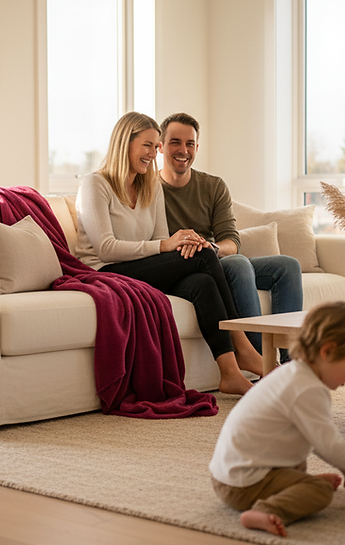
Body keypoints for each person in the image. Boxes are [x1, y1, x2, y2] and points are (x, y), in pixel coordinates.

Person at [75, 111, 263, 395]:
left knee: (202, 281)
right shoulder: (96, 184)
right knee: (205, 255)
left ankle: (230, 373)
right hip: (105, 272)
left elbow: (160, 237)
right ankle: (244, 346)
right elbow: (106, 247)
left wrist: (175, 245)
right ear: (126, 143)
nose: (154, 153)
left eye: (155, 146)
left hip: (141, 267)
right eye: (148, 145)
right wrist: (166, 246)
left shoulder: (150, 185)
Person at [209, 301, 345, 537]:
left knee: (296, 450)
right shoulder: (308, 389)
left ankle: (294, 481)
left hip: (229, 473)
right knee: (319, 492)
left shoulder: (293, 373)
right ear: (327, 352)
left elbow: (312, 437)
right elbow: (329, 444)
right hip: (242, 484)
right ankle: (266, 510)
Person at [157, 112, 303, 364]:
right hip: (184, 268)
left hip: (213, 258)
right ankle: (260, 362)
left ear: (197, 147)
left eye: (190, 143)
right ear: (161, 146)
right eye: (175, 142)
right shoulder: (149, 189)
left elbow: (231, 242)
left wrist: (210, 247)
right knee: (238, 263)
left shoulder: (213, 186)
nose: (183, 150)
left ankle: (292, 363)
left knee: (287, 266)